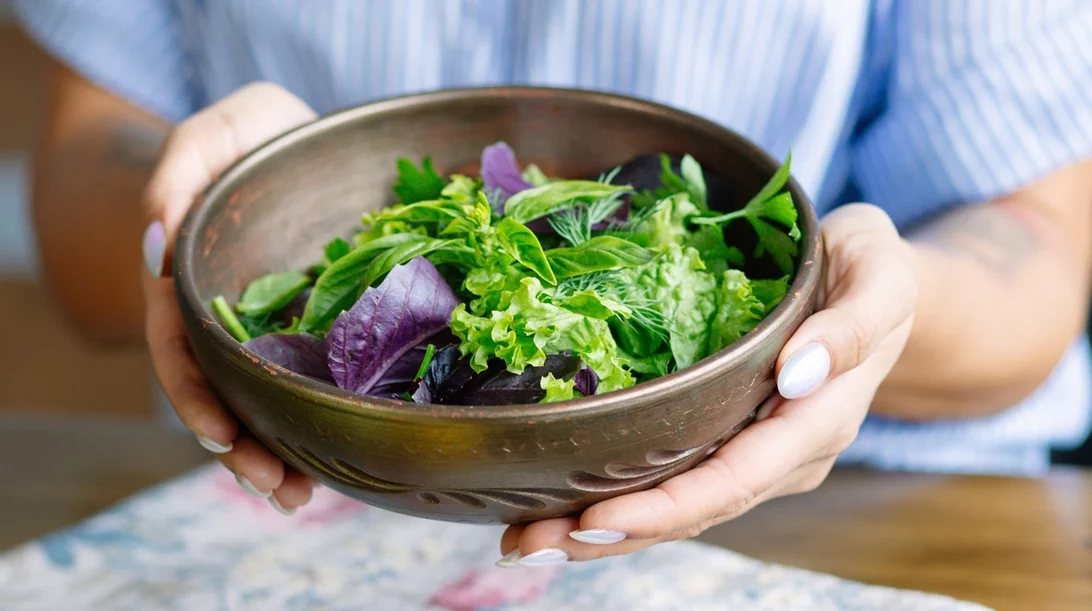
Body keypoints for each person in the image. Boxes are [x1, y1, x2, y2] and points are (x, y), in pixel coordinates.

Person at [12, 0, 1092, 567]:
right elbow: (87, 178)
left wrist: (853, 317)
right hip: (288, 498)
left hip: (847, 514)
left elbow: (1032, 246)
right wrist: (196, 205)